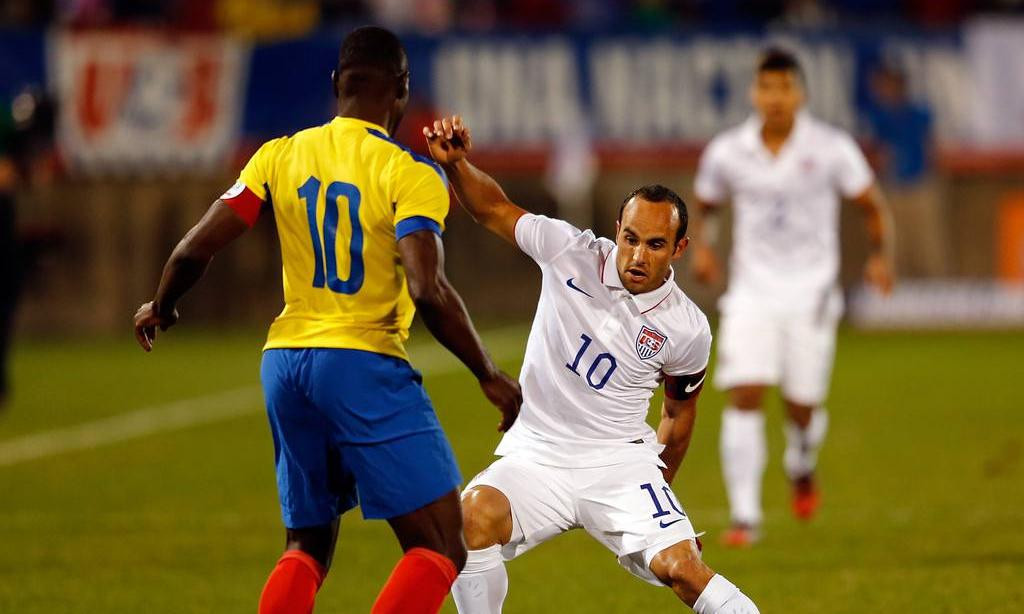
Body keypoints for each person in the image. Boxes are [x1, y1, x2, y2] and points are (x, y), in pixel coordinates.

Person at [132, 26, 522, 614]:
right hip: (362, 361)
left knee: (307, 544)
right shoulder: (410, 173)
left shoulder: (278, 155)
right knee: (442, 542)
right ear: (402, 91)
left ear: (337, 84)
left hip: (285, 364)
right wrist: (488, 374)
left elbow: (194, 250)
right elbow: (427, 287)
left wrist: (161, 306)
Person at [423, 116, 759, 614]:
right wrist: (457, 166)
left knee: (684, 569)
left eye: (655, 244)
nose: (637, 255)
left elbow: (677, 417)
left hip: (620, 464)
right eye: (629, 237)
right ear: (617, 231)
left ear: (679, 249)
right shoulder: (568, 251)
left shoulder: (687, 328)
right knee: (468, 524)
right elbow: (493, 208)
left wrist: (658, 504)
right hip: (537, 455)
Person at [690, 47, 895, 547]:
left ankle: (801, 461)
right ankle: (745, 517)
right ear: (753, 93)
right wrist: (704, 247)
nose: (775, 98)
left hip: (811, 294)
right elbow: (706, 202)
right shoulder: (728, 151)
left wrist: (881, 255)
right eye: (766, 87)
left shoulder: (830, 147)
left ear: (799, 93)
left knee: (801, 405)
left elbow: (871, 205)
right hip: (751, 291)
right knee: (744, 393)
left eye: (784, 88)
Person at [867, 61, 947, 278]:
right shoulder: (879, 118)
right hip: (894, 188)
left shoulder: (919, 113)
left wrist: (932, 178)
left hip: (920, 186)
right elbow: (879, 154)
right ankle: (895, 298)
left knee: (928, 248)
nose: (880, 91)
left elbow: (932, 148)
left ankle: (936, 296)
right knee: (894, 247)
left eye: (885, 85)